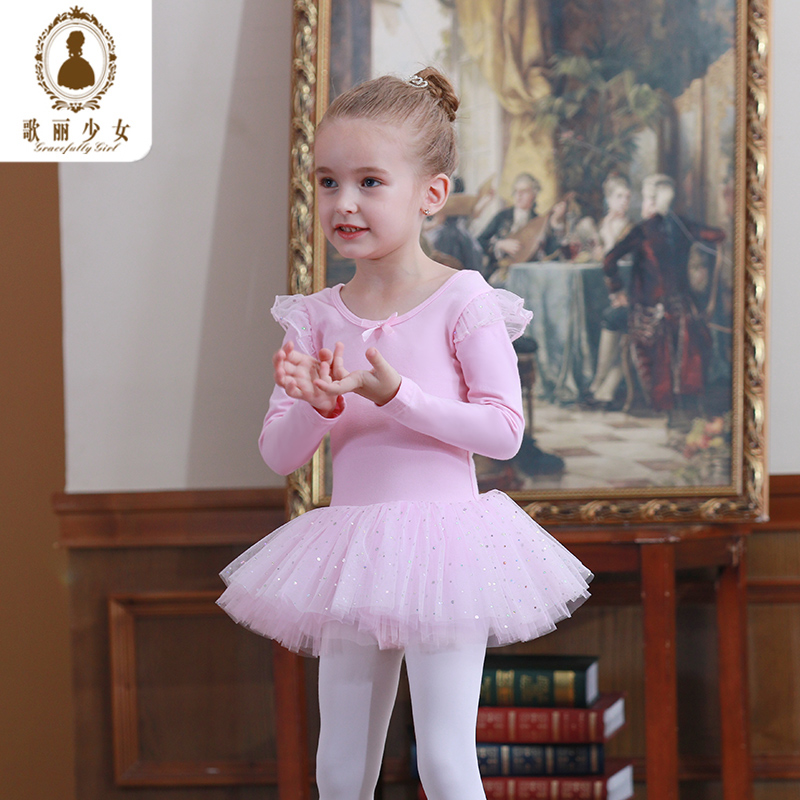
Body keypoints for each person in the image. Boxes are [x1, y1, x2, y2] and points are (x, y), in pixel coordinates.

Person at [217, 68, 592, 800]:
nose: (343, 202)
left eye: (369, 182)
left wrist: (396, 395)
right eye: (328, 182)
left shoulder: (462, 298)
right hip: (350, 548)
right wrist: (320, 405)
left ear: (431, 194)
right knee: (339, 767)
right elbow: (279, 452)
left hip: (448, 548)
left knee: (444, 760)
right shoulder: (315, 317)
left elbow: (504, 431)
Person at [602, 174, 724, 420]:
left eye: (648, 199)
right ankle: (678, 401)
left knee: (662, 324)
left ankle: (670, 401)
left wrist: (617, 290)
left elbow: (609, 261)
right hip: (670, 308)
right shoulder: (678, 227)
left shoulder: (649, 230)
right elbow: (718, 235)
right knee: (678, 325)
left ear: (653, 201)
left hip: (656, 308)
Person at [583, 174, 634, 409]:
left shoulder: (631, 228)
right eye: (619, 196)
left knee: (614, 321)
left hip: (629, 288)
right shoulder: (603, 224)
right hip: (606, 289)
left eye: (627, 197)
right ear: (609, 199)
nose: (624, 202)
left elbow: (618, 257)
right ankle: (600, 385)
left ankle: (600, 384)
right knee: (598, 317)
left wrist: (608, 240)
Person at [476, 172, 541, 278]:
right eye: (516, 191)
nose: (519, 195)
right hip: (499, 273)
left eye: (524, 191)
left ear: (534, 194)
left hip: (528, 275)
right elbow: (479, 241)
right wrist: (499, 245)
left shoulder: (538, 221)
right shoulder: (502, 216)